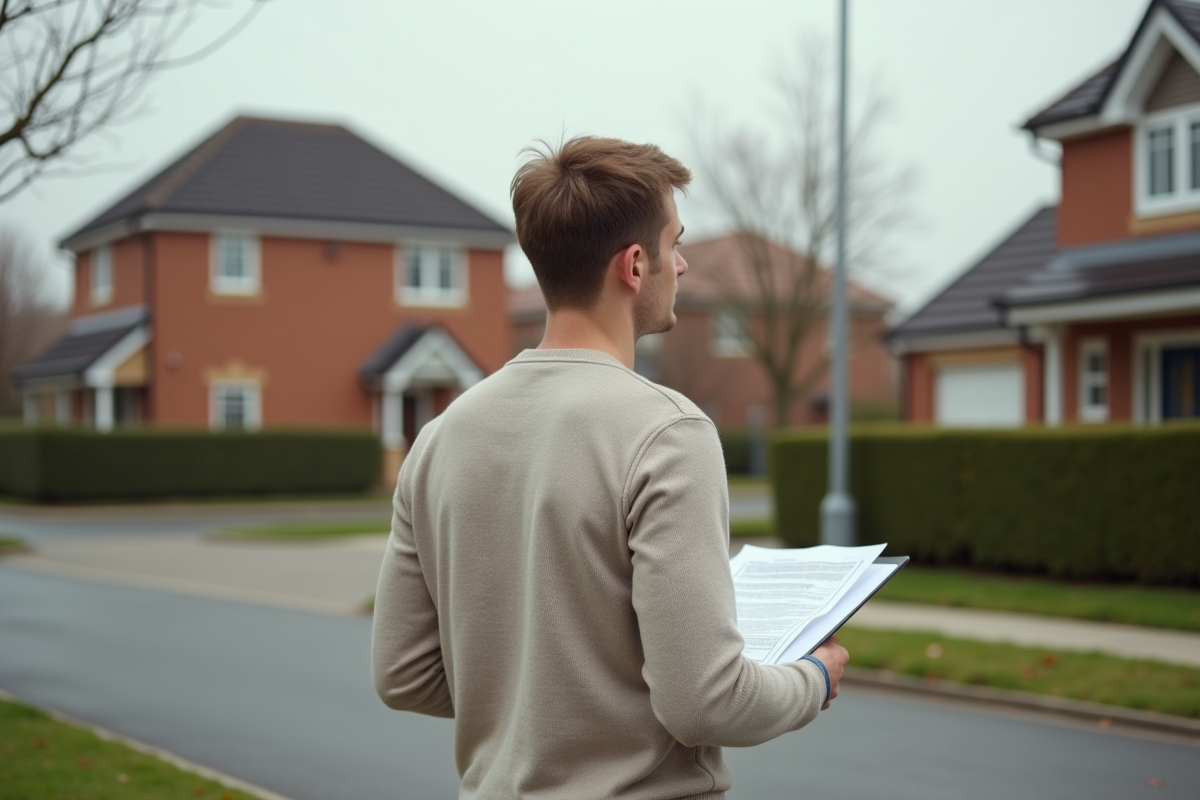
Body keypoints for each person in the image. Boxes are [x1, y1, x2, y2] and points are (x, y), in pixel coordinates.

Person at [371, 136, 849, 800]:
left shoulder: (439, 437)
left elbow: (404, 674)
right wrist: (814, 677)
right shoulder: (668, 433)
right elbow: (706, 702)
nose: (681, 265)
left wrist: (542, 699)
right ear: (633, 265)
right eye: (673, 244)